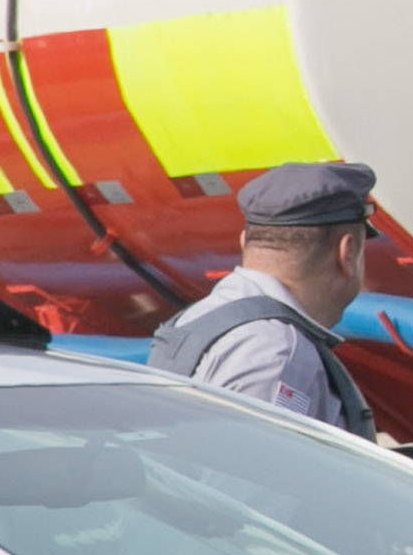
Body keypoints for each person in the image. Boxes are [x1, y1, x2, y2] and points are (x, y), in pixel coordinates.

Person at [149, 160, 381, 437]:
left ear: (244, 241)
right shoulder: (277, 352)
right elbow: (256, 472)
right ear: (348, 252)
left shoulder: (201, 317)